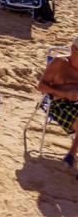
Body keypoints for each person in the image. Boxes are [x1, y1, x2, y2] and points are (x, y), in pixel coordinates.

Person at [37, 39, 78, 167]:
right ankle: (71, 153)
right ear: (73, 49)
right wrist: (65, 94)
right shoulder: (60, 62)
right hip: (58, 103)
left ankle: (71, 154)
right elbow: (41, 86)